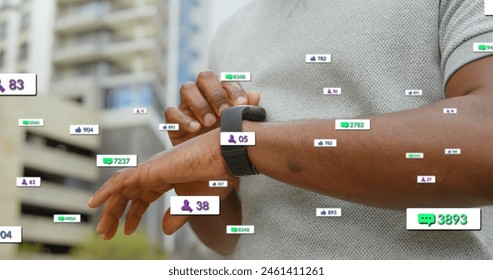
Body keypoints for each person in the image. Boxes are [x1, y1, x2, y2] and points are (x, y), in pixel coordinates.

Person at [89, 0, 493, 259]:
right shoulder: (231, 33)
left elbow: (484, 139)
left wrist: (240, 146)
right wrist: (205, 186)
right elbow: (233, 240)